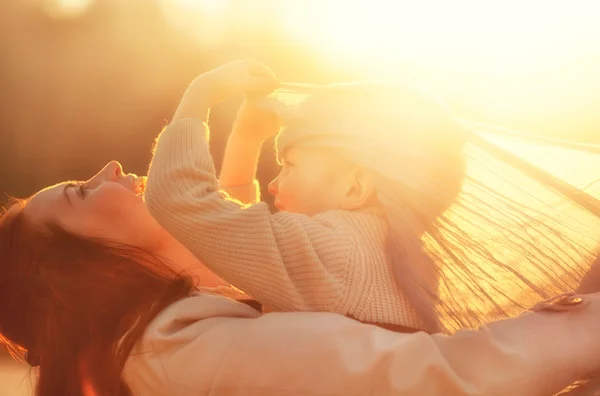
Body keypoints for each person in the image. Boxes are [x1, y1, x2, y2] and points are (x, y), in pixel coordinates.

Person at [3, 173, 600, 395]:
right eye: (82, 192)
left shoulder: (151, 351)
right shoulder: (187, 353)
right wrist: (587, 318)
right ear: (74, 271)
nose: (111, 169)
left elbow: (236, 240)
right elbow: (443, 377)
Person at [145, 59, 600, 333]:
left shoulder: (331, 251)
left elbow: (180, 201)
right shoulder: (400, 259)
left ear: (356, 187)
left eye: (291, 165)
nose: (277, 184)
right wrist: (246, 143)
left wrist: (198, 96)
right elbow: (251, 244)